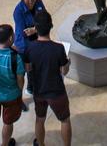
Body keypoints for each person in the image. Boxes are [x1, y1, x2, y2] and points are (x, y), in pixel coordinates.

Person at [24, 10, 71, 146]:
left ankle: (41, 143)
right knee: (65, 120)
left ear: (36, 28)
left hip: (39, 91)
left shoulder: (30, 48)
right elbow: (64, 70)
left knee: (40, 119)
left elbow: (28, 69)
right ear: (51, 26)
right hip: (56, 91)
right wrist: (68, 62)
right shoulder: (58, 48)